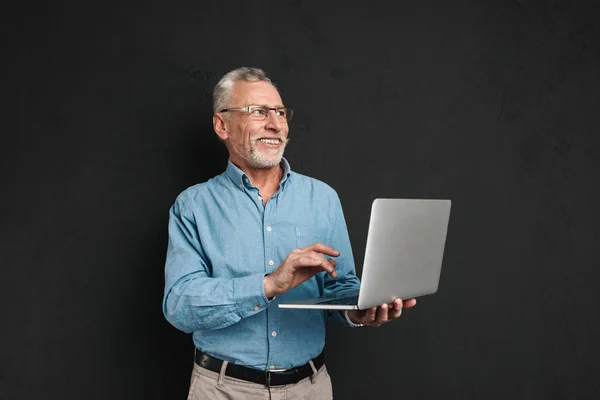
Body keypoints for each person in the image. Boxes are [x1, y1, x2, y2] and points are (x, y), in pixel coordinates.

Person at [163, 67, 417, 399]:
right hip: (223, 390)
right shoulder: (192, 205)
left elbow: (340, 287)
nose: (275, 124)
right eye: (258, 112)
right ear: (221, 125)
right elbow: (180, 306)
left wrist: (361, 310)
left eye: (280, 113)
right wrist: (269, 284)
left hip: (309, 389)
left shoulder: (322, 198)